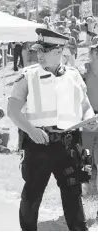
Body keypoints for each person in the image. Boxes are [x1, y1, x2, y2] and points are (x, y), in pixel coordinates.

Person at [7, 28, 98, 231]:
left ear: (59, 51)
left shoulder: (74, 76)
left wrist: (89, 119)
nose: (39, 55)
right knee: (32, 193)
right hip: (39, 144)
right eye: (38, 50)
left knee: (73, 193)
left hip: (68, 145)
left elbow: (85, 107)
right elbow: (12, 110)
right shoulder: (27, 76)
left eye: (44, 51)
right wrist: (31, 131)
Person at [80, 42, 98, 220]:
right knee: (85, 157)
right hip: (87, 120)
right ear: (91, 53)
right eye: (96, 50)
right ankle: (85, 187)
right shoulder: (82, 72)